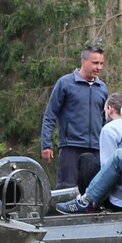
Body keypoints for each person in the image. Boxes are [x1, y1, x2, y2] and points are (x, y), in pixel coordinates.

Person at [55, 93, 122, 213]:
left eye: (104, 110)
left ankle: (87, 203)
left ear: (110, 109)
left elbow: (107, 171)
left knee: (86, 159)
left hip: (120, 202)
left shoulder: (110, 129)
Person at [39, 46, 108, 192]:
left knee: (94, 192)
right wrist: (46, 144)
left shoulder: (102, 88)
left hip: (96, 149)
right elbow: (50, 115)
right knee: (67, 191)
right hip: (71, 147)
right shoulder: (65, 83)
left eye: (101, 63)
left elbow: (105, 120)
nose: (99, 67)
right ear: (84, 61)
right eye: (95, 63)